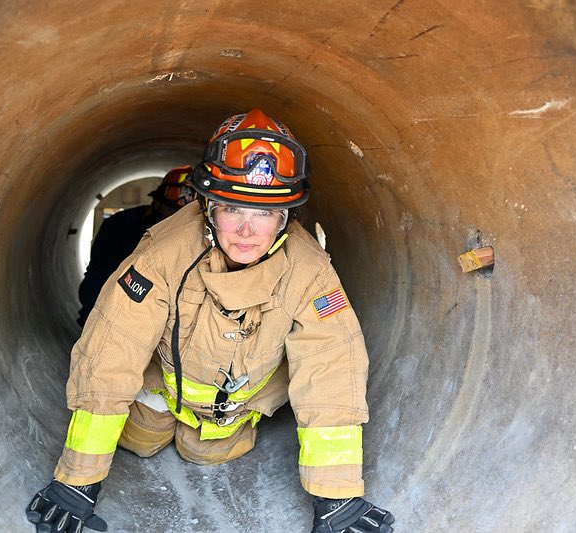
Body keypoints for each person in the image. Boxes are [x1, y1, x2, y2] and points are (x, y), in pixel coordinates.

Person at [26, 109, 395, 533]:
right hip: (162, 385)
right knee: (140, 440)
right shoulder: (163, 253)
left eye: (264, 213)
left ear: (286, 217)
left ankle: (207, 431)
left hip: (230, 410)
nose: (245, 230)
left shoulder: (309, 270)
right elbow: (110, 351)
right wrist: (77, 480)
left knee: (207, 452)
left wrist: (338, 497)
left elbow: (331, 367)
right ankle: (156, 417)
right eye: (232, 208)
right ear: (208, 205)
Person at [76, 167, 197, 327]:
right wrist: (94, 318)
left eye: (183, 218)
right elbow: (98, 276)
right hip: (106, 307)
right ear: (156, 203)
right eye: (172, 213)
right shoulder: (120, 225)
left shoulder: (190, 237)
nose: (175, 222)